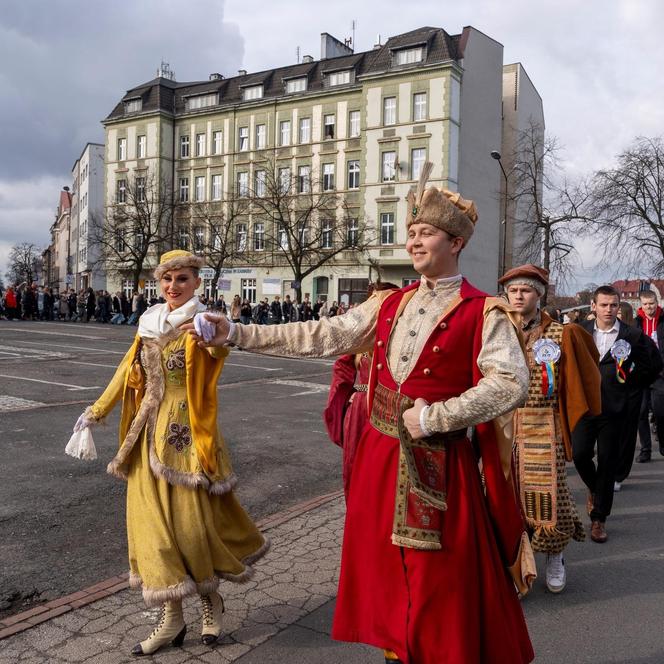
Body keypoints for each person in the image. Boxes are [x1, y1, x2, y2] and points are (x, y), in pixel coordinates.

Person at [189, 166, 535, 664]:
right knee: (388, 578)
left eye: (425, 234)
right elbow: (322, 334)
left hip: (438, 466)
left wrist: (436, 417)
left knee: (440, 579)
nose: (414, 242)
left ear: (456, 242)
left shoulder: (484, 311)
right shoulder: (388, 303)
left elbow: (510, 383)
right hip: (379, 458)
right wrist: (238, 334)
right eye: (411, 233)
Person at [69, 250, 267, 656]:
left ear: (196, 283)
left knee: (193, 528)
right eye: (167, 279)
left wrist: (215, 339)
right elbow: (126, 371)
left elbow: (216, 355)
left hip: (186, 436)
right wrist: (95, 412)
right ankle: (171, 616)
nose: (173, 287)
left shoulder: (203, 323)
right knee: (153, 532)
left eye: (181, 279)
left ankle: (212, 602)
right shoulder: (147, 323)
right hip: (145, 437)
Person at [500, 264, 601, 593]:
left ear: (539, 295)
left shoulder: (561, 334)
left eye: (525, 290)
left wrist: (574, 429)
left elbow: (582, 380)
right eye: (513, 290)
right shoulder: (497, 331)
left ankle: (555, 554)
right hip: (504, 425)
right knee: (508, 497)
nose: (518, 295)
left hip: (545, 426)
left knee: (549, 496)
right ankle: (519, 564)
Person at [572, 285, 662, 543]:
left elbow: (653, 364)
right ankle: (595, 488)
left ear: (619, 306)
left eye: (613, 305)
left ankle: (599, 519)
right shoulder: (579, 332)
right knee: (579, 455)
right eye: (603, 305)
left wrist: (631, 379)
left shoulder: (632, 335)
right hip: (585, 407)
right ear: (593, 306)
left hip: (615, 409)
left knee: (608, 463)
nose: (608, 309)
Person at [323, 282, 398, 499]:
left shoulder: (401, 333)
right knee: (356, 467)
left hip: (390, 408)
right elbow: (342, 367)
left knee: (386, 472)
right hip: (361, 410)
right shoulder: (360, 336)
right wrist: (345, 398)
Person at [635, 290, 664, 462]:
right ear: (641, 305)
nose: (649, 307)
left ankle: (663, 443)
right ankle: (645, 449)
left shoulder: (663, 320)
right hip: (641, 374)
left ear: (657, 302)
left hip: (660, 374)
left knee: (660, 412)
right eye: (645, 304)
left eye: (652, 303)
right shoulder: (636, 323)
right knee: (641, 412)